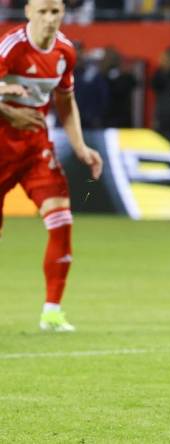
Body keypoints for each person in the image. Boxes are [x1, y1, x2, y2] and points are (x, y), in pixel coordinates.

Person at [0, 0, 103, 332]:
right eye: (42, 11)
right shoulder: (12, 46)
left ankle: (52, 312)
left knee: (61, 220)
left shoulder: (64, 52)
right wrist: (10, 110)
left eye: (55, 12)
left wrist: (80, 147)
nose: (49, 19)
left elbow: (64, 99)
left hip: (35, 151)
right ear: (28, 12)